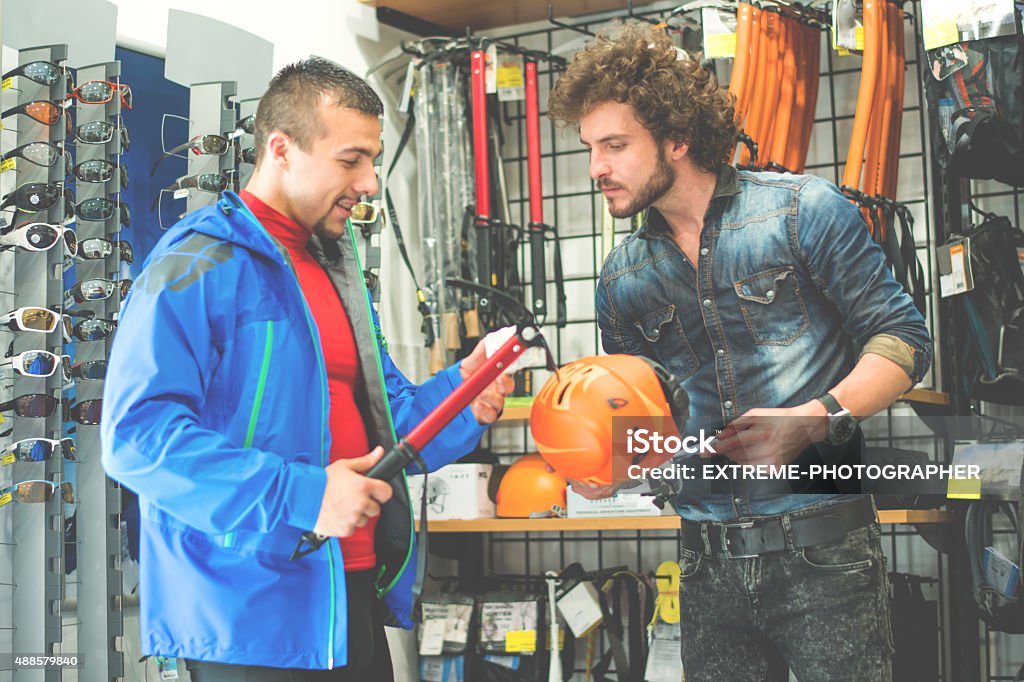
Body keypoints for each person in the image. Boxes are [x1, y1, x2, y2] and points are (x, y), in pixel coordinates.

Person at [101, 57, 512, 681]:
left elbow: (388, 421)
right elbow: (136, 439)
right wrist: (305, 494)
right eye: (351, 160)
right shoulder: (194, 263)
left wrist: (465, 390)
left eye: (372, 160)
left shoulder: (334, 267)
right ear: (282, 150)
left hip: (350, 590)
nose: (370, 182)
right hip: (245, 615)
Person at [547, 25, 932, 681]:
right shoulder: (621, 279)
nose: (595, 169)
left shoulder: (802, 211)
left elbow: (904, 341)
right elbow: (646, 430)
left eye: (615, 145)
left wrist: (818, 416)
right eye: (590, 148)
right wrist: (613, 466)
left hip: (824, 551)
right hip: (705, 565)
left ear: (677, 138)